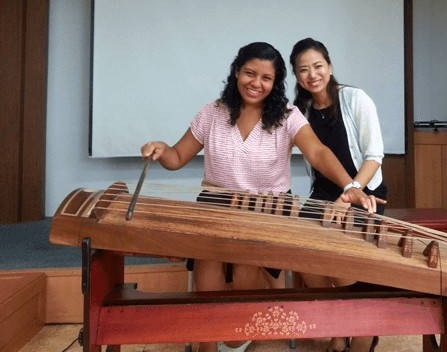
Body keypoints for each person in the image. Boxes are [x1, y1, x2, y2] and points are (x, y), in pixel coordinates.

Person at [141, 41, 379, 352]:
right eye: (249, 74)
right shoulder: (213, 112)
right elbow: (177, 157)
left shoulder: (287, 115)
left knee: (245, 267)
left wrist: (351, 186)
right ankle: (207, 342)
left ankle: (242, 329)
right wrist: (161, 149)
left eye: (266, 78)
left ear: (276, 82)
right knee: (208, 256)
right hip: (217, 205)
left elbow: (318, 152)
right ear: (236, 73)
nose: (256, 83)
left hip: (268, 211)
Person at [289, 37, 387, 352]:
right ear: (296, 76)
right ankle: (338, 324)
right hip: (324, 191)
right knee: (302, 254)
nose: (312, 75)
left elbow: (374, 156)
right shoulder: (300, 109)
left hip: (365, 190)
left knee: (344, 255)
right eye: (303, 70)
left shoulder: (356, 99)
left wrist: (350, 193)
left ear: (329, 68)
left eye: (318, 66)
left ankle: (360, 331)